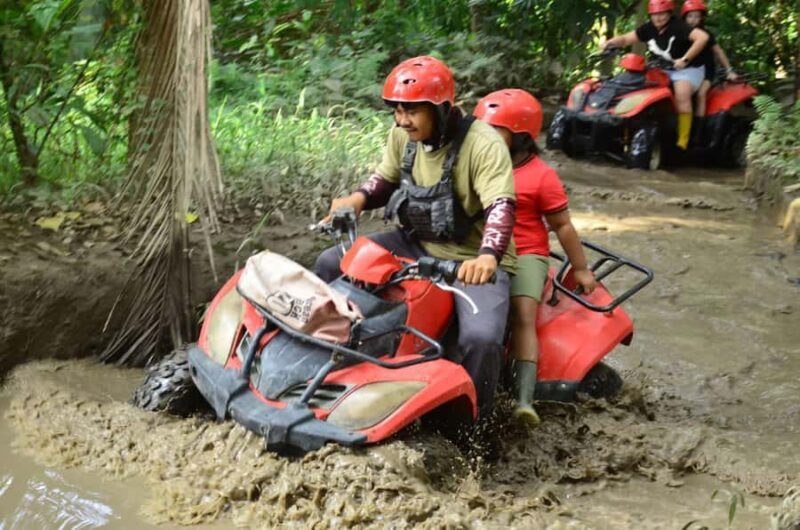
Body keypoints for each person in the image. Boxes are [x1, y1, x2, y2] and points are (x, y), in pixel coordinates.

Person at [315, 56, 518, 418]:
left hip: (472, 260)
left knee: (481, 339)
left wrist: (488, 257)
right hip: (415, 242)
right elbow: (384, 180)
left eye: (411, 110)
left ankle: (477, 427)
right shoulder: (403, 136)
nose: (401, 118)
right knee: (330, 262)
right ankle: (322, 360)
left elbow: (500, 205)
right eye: (396, 109)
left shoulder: (483, 144)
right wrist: (358, 199)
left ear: (441, 109)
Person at [473, 89, 596, 427]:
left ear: (521, 136)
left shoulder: (542, 176)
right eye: (480, 129)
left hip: (526, 253)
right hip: (480, 248)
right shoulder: (476, 163)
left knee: (523, 313)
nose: (483, 137)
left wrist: (582, 269)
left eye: (494, 130)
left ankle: (524, 400)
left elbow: (563, 226)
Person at [602, 0, 709, 150]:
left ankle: (683, 140)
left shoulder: (679, 26)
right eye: (655, 14)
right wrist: (610, 43)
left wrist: (685, 59)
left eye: (662, 14)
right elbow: (626, 39)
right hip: (661, 69)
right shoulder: (649, 28)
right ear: (650, 15)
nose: (658, 18)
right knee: (636, 86)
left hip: (688, 70)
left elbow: (702, 38)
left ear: (669, 13)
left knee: (682, 93)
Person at [681, 0, 739, 123]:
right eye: (690, 16)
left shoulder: (706, 34)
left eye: (697, 16)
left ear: (701, 18)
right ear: (684, 17)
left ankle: (698, 128)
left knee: (701, 94)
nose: (693, 20)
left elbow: (719, 52)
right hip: (686, 70)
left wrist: (729, 70)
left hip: (706, 70)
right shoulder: (680, 34)